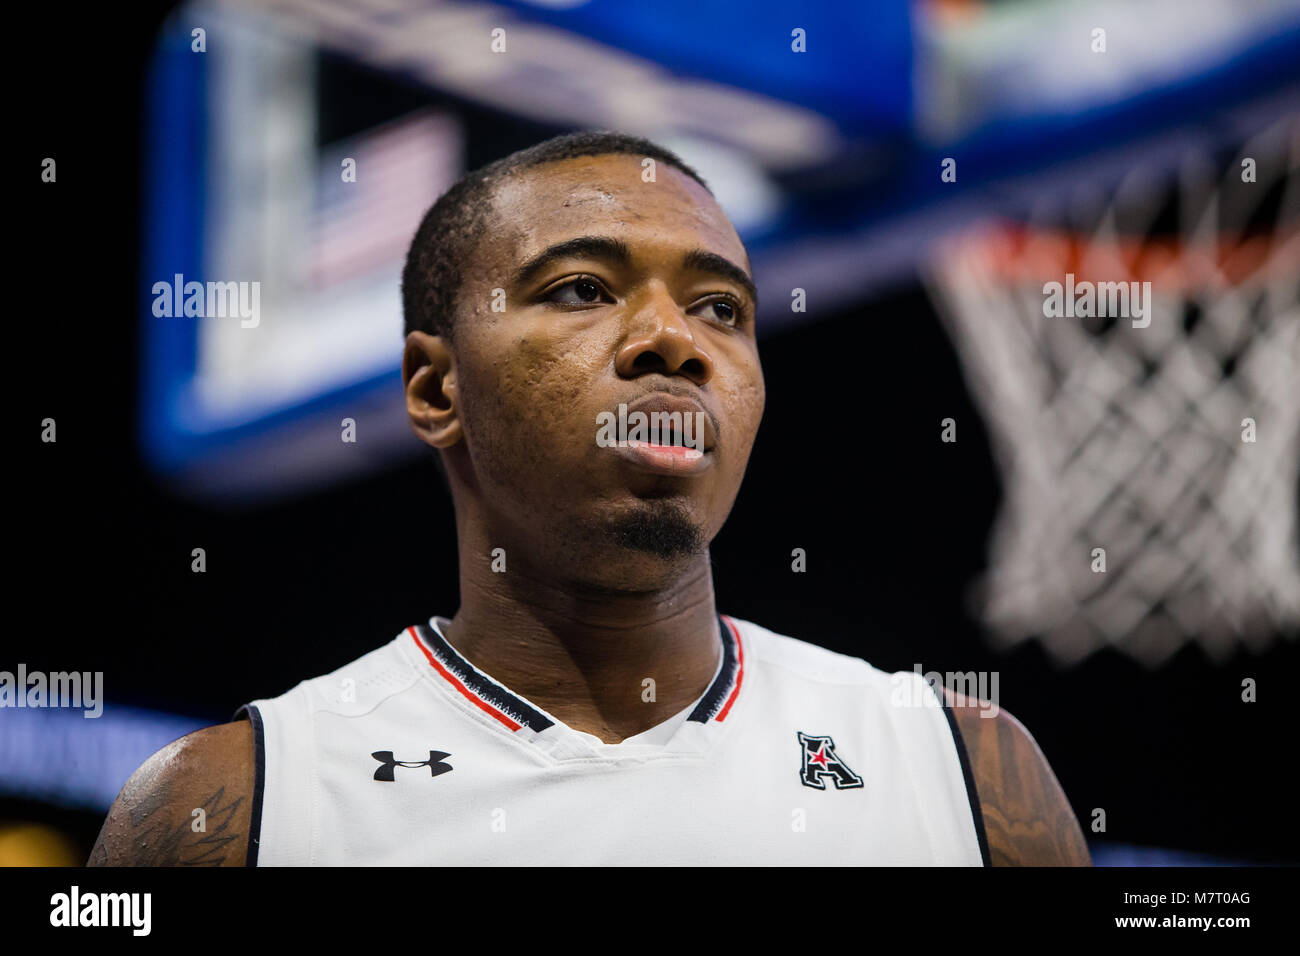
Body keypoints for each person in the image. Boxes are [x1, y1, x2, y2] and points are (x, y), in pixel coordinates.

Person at [90, 130, 1090, 866]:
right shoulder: (227, 807)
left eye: (719, 308)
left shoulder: (965, 770)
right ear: (437, 390)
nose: (675, 340)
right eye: (580, 289)